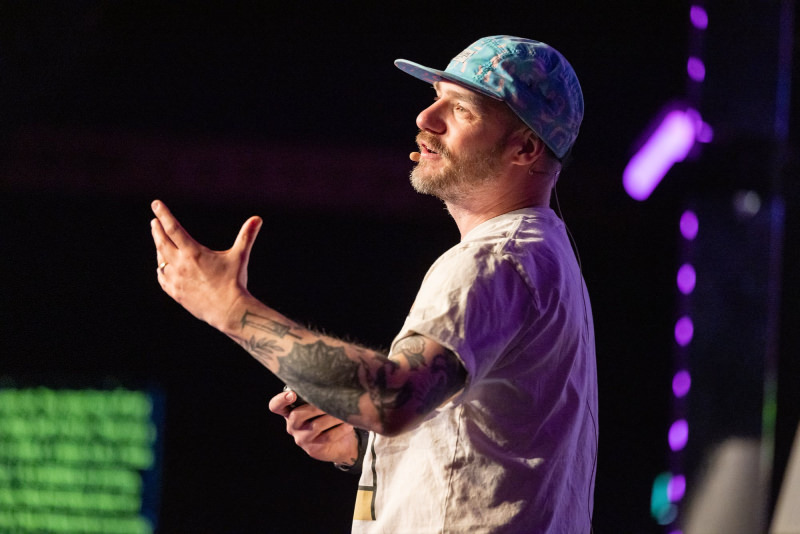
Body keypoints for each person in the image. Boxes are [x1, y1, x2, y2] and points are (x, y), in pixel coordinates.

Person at [151, 35, 597, 533]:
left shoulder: (495, 260)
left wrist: (230, 308)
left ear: (526, 147)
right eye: (435, 99)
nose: (426, 119)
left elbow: (391, 399)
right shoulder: (539, 256)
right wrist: (371, 445)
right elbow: (491, 441)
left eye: (462, 109)